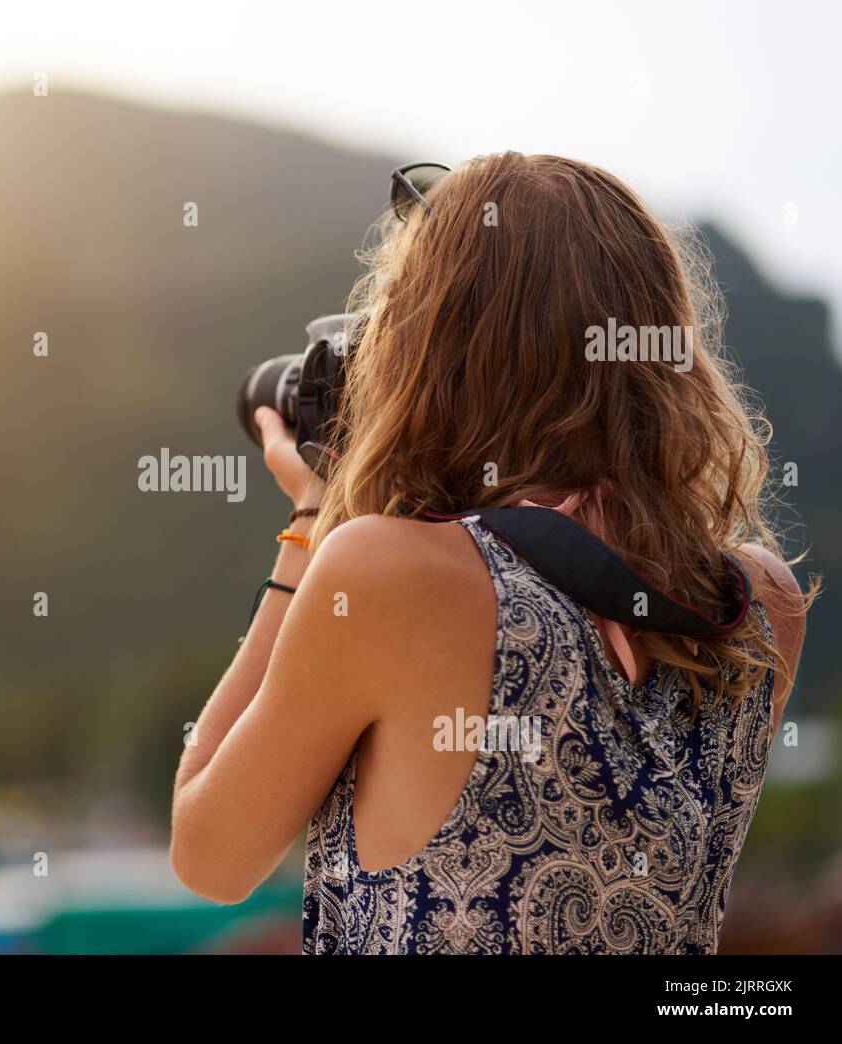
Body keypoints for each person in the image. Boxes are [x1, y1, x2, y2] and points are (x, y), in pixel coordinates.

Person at [168, 151, 814, 954]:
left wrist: (312, 516)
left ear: (427, 353)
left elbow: (208, 854)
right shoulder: (758, 604)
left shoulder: (386, 575)